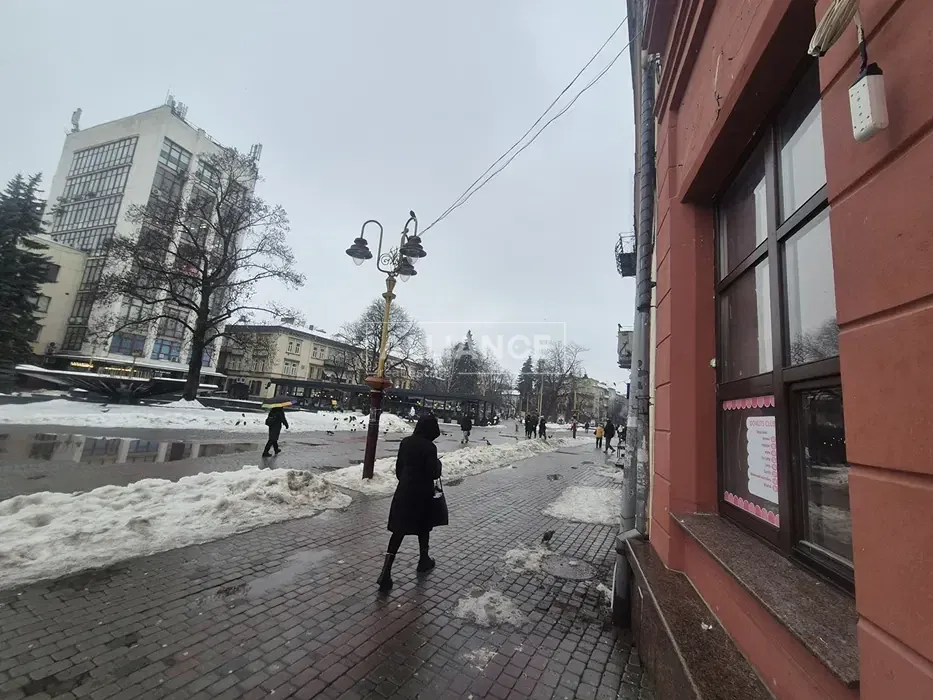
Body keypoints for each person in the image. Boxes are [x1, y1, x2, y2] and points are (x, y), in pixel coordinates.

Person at [378, 416, 444, 591]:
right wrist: (438, 464)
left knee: (398, 531)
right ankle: (423, 559)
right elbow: (433, 472)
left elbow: (399, 469)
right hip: (422, 494)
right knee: (424, 527)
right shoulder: (429, 447)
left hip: (404, 491)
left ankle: (386, 570)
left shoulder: (406, 442)